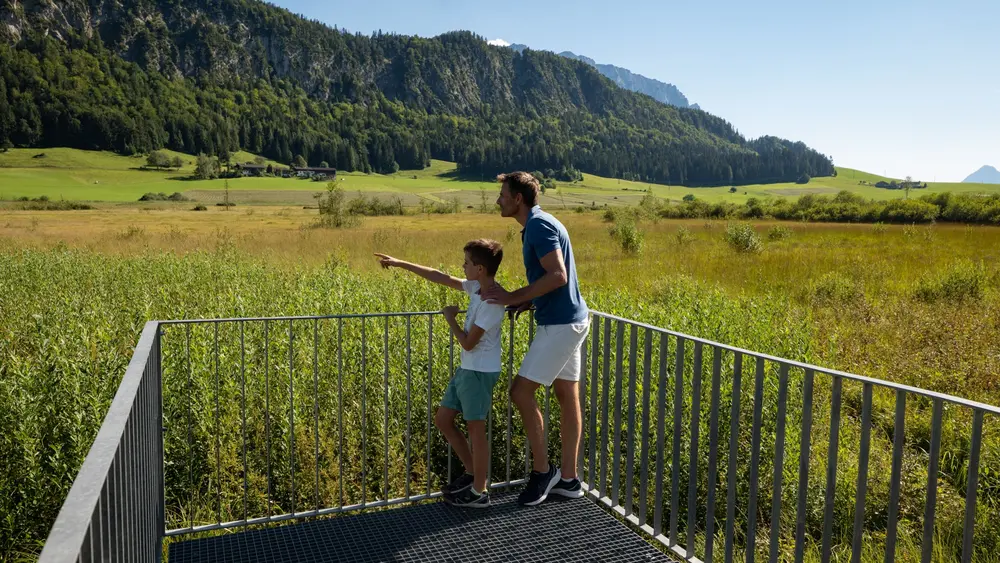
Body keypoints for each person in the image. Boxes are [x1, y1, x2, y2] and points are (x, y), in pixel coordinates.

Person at [482, 171, 589, 507]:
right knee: (566, 393)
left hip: (560, 325)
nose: (498, 200)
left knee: (520, 391)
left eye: (502, 194)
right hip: (569, 319)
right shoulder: (542, 223)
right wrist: (531, 300)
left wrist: (514, 296)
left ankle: (543, 472)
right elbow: (552, 279)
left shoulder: (539, 227)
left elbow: (558, 275)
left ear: (518, 198)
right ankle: (569, 480)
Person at [374, 239, 505, 508]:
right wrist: (401, 263)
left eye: (467, 263)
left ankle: (479, 492)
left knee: (475, 430)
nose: (462, 266)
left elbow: (469, 342)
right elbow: (441, 277)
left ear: (479, 269)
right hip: (467, 369)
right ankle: (473, 475)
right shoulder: (478, 288)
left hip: (479, 371)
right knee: (444, 420)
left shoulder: (492, 301)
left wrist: (450, 319)